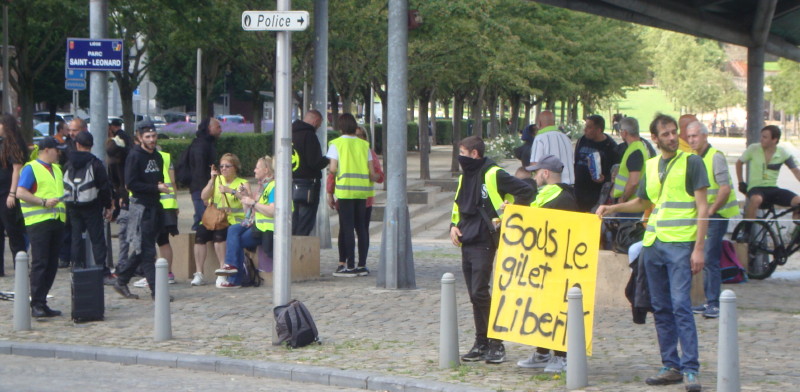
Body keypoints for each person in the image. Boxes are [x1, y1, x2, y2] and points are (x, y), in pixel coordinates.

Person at [596, 114, 708, 392]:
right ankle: (671, 365)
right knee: (660, 307)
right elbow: (644, 202)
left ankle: (690, 367)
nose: (672, 137)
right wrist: (613, 208)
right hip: (653, 244)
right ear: (655, 138)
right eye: (666, 134)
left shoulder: (691, 162)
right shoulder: (651, 164)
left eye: (674, 132)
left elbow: (703, 208)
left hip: (681, 245)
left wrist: (699, 249)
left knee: (681, 305)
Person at [450, 136, 534, 364]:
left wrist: (509, 212)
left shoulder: (493, 173)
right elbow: (459, 206)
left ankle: (496, 344)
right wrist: (453, 227)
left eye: (463, 153)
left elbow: (526, 191)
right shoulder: (464, 177)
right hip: (467, 237)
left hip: (486, 237)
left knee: (480, 291)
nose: (460, 158)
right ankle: (482, 342)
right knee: (474, 294)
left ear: (475, 154)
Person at [516, 154, 579, 373]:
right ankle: (542, 352)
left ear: (545, 173)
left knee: (556, 309)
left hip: (557, 265)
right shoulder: (545, 196)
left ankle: (561, 356)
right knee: (542, 308)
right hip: (542, 263)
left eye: (536, 172)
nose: (534, 176)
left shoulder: (562, 199)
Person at [112, 121, 171, 300]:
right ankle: (157, 292)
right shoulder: (134, 156)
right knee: (147, 251)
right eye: (148, 137)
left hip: (155, 206)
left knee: (144, 247)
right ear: (139, 138)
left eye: (154, 136)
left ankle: (121, 279)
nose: (152, 140)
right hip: (140, 208)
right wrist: (155, 187)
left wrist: (159, 187)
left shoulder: (158, 157)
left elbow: (158, 178)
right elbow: (131, 183)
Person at [686, 121, 738, 319]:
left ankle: (713, 302)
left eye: (695, 136)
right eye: (689, 136)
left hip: (716, 215)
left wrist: (711, 211)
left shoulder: (715, 157)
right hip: (701, 215)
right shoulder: (692, 157)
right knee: (699, 257)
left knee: (710, 258)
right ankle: (704, 301)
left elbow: (724, 188)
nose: (691, 140)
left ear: (705, 136)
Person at [16, 137, 67, 317]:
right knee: (40, 262)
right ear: (46, 150)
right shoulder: (31, 168)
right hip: (38, 222)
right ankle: (36, 303)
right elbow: (21, 192)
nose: (58, 152)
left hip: (57, 220)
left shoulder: (57, 169)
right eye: (56, 149)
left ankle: (42, 301)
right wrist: (43, 202)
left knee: (52, 264)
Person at [326, 113, 380, 277]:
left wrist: (330, 185)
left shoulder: (336, 144)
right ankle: (362, 265)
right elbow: (372, 172)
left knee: (347, 227)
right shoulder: (364, 145)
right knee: (361, 228)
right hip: (362, 191)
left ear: (340, 127)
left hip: (345, 190)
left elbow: (333, 169)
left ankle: (349, 265)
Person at [192, 153, 250, 288]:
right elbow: (203, 196)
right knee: (200, 235)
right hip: (214, 218)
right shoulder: (217, 180)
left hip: (232, 220)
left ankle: (223, 271)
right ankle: (199, 273)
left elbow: (248, 199)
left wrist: (231, 191)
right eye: (221, 166)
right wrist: (212, 180)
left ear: (235, 167)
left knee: (220, 235)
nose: (223, 169)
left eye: (227, 166)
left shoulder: (242, 183)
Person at [63, 131, 114, 282]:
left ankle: (77, 267)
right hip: (92, 205)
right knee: (97, 238)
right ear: (91, 146)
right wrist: (107, 206)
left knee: (76, 237)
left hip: (72, 205)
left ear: (77, 144)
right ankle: (101, 269)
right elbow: (104, 188)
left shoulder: (68, 163)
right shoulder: (96, 163)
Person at [218, 156, 274, 288]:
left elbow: (273, 211)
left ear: (266, 170)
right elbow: (248, 210)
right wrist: (245, 197)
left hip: (267, 229)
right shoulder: (262, 186)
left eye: (257, 167)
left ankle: (234, 277)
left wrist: (252, 202)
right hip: (256, 224)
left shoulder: (273, 186)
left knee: (236, 239)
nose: (254, 170)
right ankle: (231, 267)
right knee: (233, 230)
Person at [736, 125, 800, 228]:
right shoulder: (753, 148)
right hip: (755, 188)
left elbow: (796, 171)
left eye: (765, 137)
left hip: (772, 188)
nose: (761, 139)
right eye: (761, 136)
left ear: (774, 140)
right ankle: (746, 231)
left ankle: (796, 228)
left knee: (798, 201)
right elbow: (739, 163)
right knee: (756, 199)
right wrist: (741, 182)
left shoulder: (783, 152)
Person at [133, 144, 178, 288]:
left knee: (149, 241)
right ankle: (168, 274)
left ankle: (151, 275)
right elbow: (173, 181)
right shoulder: (166, 156)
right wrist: (175, 203)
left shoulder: (143, 158)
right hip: (168, 203)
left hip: (153, 204)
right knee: (163, 240)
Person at [291, 109, 329, 236]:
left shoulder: (290, 133)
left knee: (294, 221)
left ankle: (290, 253)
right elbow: (314, 163)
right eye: (319, 124)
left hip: (291, 183)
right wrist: (328, 159)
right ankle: (300, 253)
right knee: (305, 223)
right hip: (308, 185)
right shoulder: (310, 136)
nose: (319, 127)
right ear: (316, 121)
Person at [0, 115, 29, 277]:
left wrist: (12, 193)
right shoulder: (3, 143)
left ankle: (21, 265)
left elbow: (17, 170)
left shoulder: (14, 145)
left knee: (13, 231)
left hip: (7, 193)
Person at [574, 114, 618, 212]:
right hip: (579, 190)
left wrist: (604, 178)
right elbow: (576, 161)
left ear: (598, 130)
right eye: (585, 126)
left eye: (589, 127)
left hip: (596, 194)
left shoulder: (610, 147)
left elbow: (615, 172)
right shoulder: (582, 140)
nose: (585, 130)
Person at [187, 118, 222, 231]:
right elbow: (199, 169)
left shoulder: (207, 143)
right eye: (218, 127)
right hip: (200, 188)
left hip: (202, 187)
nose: (221, 130)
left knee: (201, 220)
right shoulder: (201, 145)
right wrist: (206, 191)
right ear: (209, 128)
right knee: (204, 221)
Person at [613, 117, 652, 203]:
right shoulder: (639, 147)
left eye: (620, 131)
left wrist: (623, 199)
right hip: (634, 201)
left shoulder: (635, 151)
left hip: (630, 202)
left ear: (625, 132)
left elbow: (634, 182)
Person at [529, 110, 574, 185]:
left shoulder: (540, 139)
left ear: (539, 123)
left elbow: (535, 164)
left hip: (552, 187)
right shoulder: (566, 138)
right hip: (570, 187)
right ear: (554, 122)